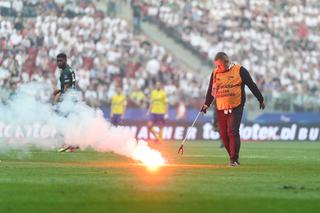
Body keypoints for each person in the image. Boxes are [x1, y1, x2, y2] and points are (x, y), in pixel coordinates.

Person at [201, 52, 265, 166]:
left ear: (226, 62)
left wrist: (260, 99)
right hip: (220, 107)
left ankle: (233, 159)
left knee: (232, 131)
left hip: (236, 105)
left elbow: (251, 85)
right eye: (217, 65)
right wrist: (206, 104)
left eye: (220, 65)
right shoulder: (215, 73)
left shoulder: (240, 70)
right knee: (223, 134)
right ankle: (232, 156)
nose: (218, 67)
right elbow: (211, 89)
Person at [54, 53, 78, 152]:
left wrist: (60, 97)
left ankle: (67, 143)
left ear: (65, 60)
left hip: (68, 100)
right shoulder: (70, 69)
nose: (59, 63)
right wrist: (58, 91)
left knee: (65, 122)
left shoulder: (65, 72)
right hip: (73, 98)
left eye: (61, 61)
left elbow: (66, 87)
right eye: (57, 61)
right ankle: (72, 144)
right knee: (71, 122)